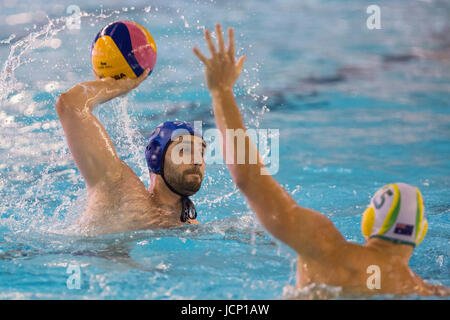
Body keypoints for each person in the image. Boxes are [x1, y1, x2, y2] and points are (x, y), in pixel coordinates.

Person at [193, 24, 449, 297]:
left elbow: (249, 180)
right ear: (420, 233)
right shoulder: (430, 291)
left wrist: (221, 92)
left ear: (369, 220)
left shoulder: (328, 251)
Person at [56, 70, 206, 235]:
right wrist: (114, 85)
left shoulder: (191, 227)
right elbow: (71, 105)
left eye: (201, 152)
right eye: (184, 150)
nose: (197, 160)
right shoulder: (119, 189)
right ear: (156, 157)